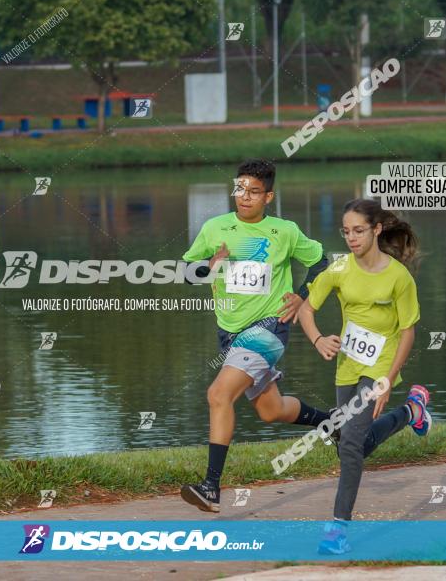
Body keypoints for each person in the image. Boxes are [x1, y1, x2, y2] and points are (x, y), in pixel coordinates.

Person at [179, 158, 332, 513]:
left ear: (268, 197)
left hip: (269, 327)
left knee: (218, 394)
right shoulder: (215, 227)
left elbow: (323, 261)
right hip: (229, 333)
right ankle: (331, 423)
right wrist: (209, 266)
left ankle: (211, 488)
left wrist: (303, 295)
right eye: (240, 190)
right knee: (271, 410)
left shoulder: (285, 231)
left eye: (254, 192)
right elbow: (188, 273)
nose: (244, 198)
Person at [298, 198, 432, 555]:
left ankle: (337, 530)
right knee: (351, 443)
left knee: (352, 445)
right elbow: (306, 310)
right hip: (348, 364)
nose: (351, 238)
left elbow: (408, 332)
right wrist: (318, 339)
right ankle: (412, 412)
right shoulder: (340, 269)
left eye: (359, 231)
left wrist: (389, 379)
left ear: (376, 230)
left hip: (381, 366)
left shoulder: (398, 277)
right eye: (346, 232)